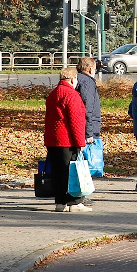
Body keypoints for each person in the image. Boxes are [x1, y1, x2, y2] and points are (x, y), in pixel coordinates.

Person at [44, 67, 89, 213]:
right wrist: (80, 142)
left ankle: (60, 202)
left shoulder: (53, 94)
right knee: (72, 172)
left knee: (58, 172)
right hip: (67, 140)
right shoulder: (72, 95)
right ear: (72, 79)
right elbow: (75, 121)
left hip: (52, 139)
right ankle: (74, 202)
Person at [73, 57, 102, 205]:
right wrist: (89, 132)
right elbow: (88, 108)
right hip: (87, 127)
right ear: (90, 69)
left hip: (81, 126)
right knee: (83, 163)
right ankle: (81, 194)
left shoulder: (77, 79)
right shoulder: (88, 82)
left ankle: (78, 193)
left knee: (79, 160)